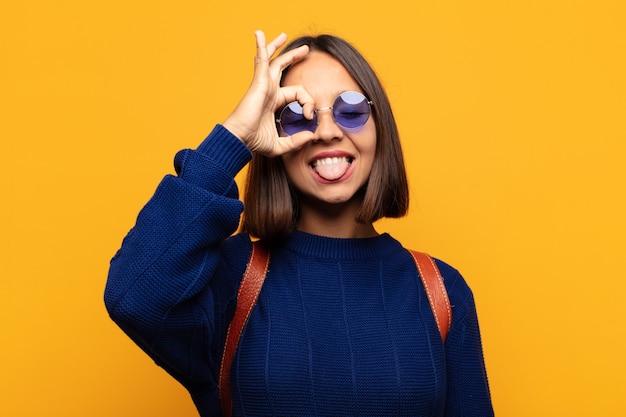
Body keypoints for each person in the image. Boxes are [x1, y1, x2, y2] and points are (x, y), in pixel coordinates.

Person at [105, 30, 494, 417]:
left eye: (352, 109)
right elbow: (132, 295)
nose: (326, 131)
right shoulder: (231, 278)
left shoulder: (441, 291)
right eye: (297, 116)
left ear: (380, 127)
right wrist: (236, 136)